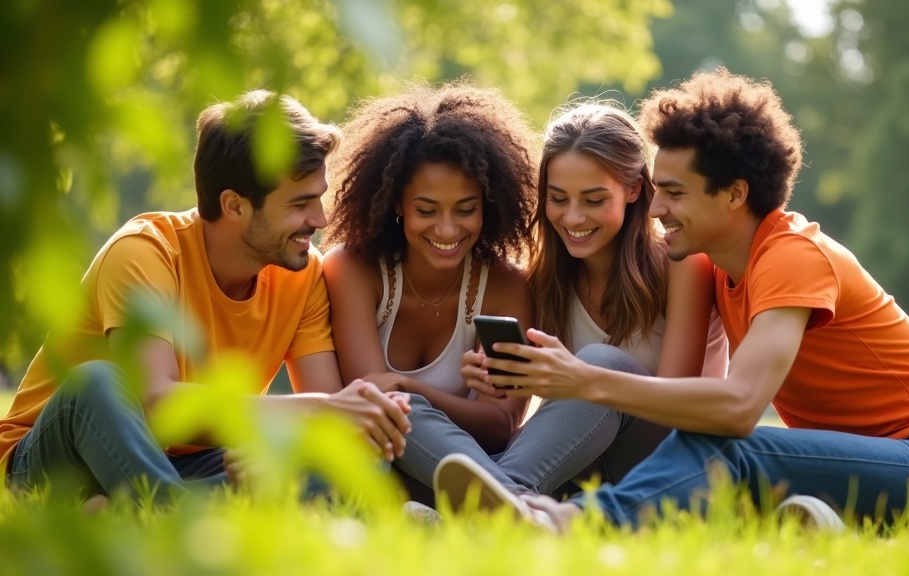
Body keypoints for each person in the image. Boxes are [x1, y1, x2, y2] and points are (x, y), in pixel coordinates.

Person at [436, 68, 909, 530]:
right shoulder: (721, 269)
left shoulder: (791, 256)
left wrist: (583, 379)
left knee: (731, 450)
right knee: (745, 483)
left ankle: (567, 524)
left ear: (735, 194)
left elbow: (739, 407)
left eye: (673, 192)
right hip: (874, 463)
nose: (655, 209)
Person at [0, 90, 412, 504]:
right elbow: (156, 405)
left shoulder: (303, 276)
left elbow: (331, 417)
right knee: (96, 382)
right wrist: (319, 410)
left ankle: (137, 510)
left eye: (318, 197)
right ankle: (176, 512)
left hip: (181, 463)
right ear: (234, 206)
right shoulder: (144, 252)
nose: (319, 219)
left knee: (350, 460)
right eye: (300, 203)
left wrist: (288, 444)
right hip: (56, 455)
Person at [382, 100, 727, 508]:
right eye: (558, 198)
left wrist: (576, 378)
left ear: (634, 189)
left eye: (593, 200)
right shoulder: (543, 280)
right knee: (403, 408)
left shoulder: (683, 265)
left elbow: (676, 411)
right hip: (578, 475)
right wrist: (503, 378)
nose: (573, 218)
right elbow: (534, 413)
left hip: (666, 469)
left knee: (600, 362)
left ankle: (501, 498)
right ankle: (511, 504)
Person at [319, 83, 537, 502]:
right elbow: (372, 399)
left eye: (466, 209)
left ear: (488, 204)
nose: (448, 229)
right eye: (426, 210)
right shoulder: (353, 270)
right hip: (383, 469)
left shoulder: (507, 286)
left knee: (401, 398)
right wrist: (406, 394)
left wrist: (411, 387)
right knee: (395, 404)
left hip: (484, 465)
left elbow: (501, 426)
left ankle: (503, 503)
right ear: (396, 204)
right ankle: (518, 506)